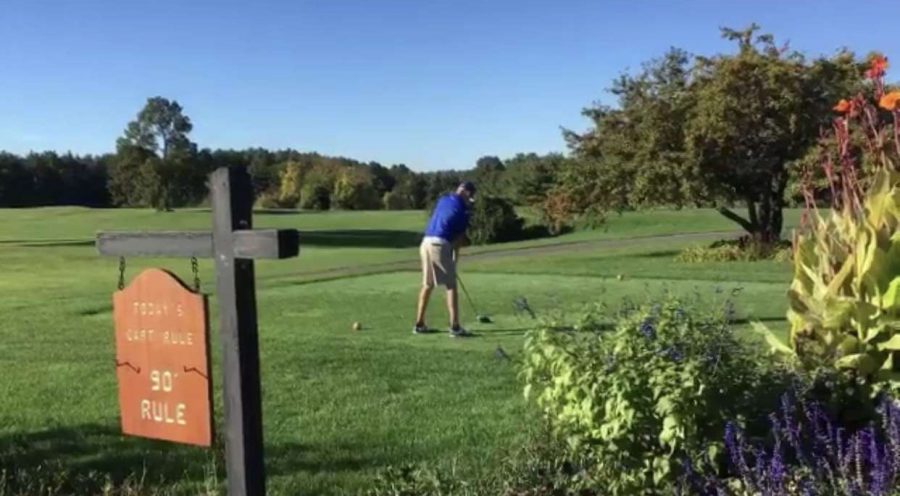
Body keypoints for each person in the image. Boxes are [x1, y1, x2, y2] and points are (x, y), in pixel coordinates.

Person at [414, 181, 476, 337]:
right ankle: (455, 327)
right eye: (470, 198)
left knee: (427, 284)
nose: (469, 202)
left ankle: (419, 324)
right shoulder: (463, 211)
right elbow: (458, 241)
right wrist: (454, 261)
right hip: (440, 244)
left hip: (425, 242)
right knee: (451, 285)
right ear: (467, 193)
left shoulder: (443, 200)